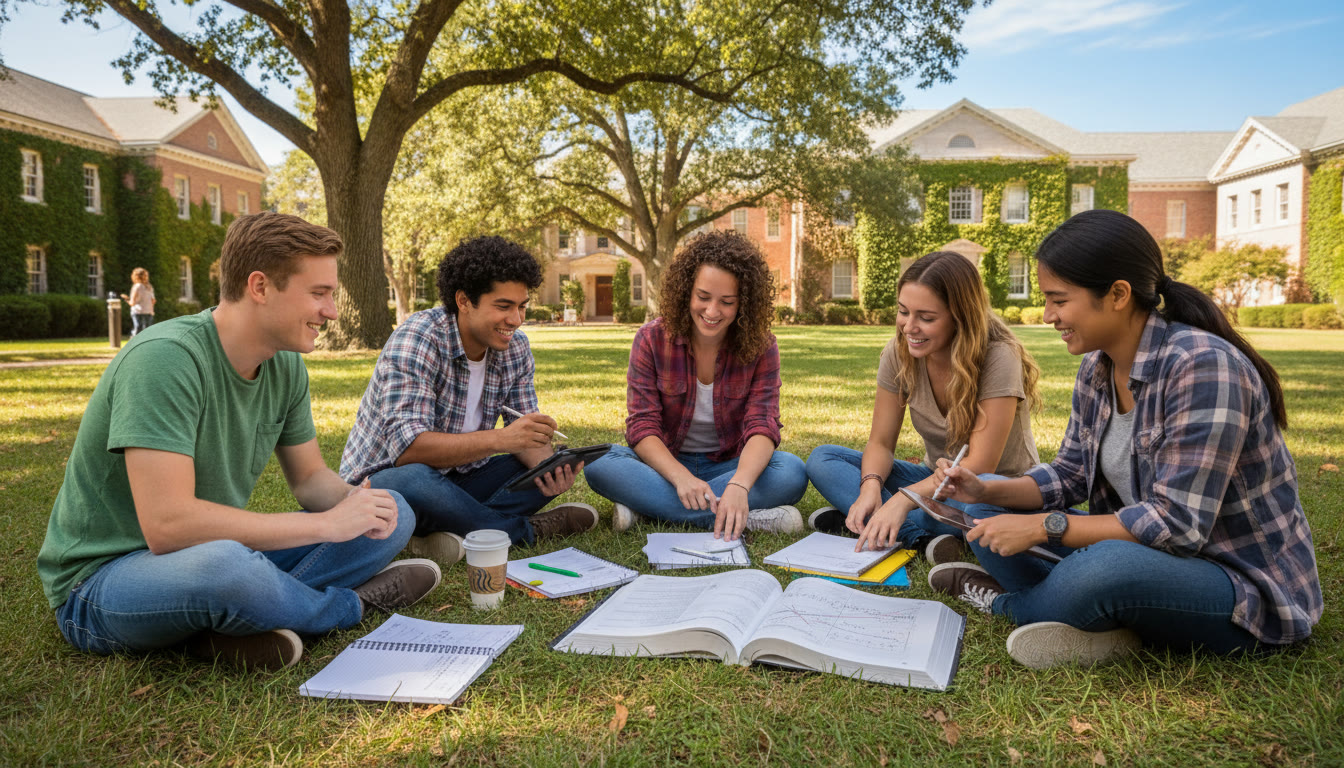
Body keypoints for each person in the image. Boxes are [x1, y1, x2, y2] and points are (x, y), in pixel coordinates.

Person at [37, 212, 440, 672]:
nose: (330, 311)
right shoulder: (165, 360)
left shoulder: (285, 366)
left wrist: (357, 505)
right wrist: (325, 527)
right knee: (225, 568)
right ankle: (348, 608)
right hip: (103, 580)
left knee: (394, 509)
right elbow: (167, 526)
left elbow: (310, 480)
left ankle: (230, 624)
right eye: (319, 293)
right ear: (260, 286)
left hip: (214, 550)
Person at [928, 209, 1323, 670]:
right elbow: (1071, 475)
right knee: (981, 511)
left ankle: (1011, 605)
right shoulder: (1096, 368)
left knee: (1107, 568)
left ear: (1117, 294)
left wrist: (1043, 527)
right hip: (1142, 551)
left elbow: (1177, 525)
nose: (1048, 315)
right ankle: (1092, 612)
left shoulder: (1203, 366)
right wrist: (985, 488)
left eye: (1059, 300)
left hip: (1238, 584)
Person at [340, 236, 598, 563]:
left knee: (545, 462)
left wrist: (547, 471)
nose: (516, 320)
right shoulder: (420, 336)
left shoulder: (515, 348)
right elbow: (408, 451)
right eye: (503, 306)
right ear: (464, 300)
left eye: (522, 306)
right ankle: (524, 532)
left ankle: (436, 535)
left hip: (459, 481)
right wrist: (501, 439)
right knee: (416, 478)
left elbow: (525, 436)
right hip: (385, 484)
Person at [805, 251, 1042, 561]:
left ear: (960, 317)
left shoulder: (998, 356)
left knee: (971, 502)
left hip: (994, 492)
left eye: (926, 318)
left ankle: (875, 522)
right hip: (935, 481)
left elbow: (980, 465)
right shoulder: (899, 352)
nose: (909, 327)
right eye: (904, 312)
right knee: (825, 459)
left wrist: (902, 501)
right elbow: (880, 442)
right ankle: (909, 534)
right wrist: (870, 487)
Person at [584, 230, 808, 540]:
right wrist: (680, 478)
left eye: (726, 302)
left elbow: (762, 424)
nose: (712, 312)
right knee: (599, 463)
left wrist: (739, 484)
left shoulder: (761, 346)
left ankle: (650, 510)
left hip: (730, 464)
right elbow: (642, 426)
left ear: (743, 303)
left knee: (791, 472)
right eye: (703, 297)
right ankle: (743, 517)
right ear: (687, 290)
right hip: (666, 465)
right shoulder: (651, 339)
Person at [120, 267, 156, 335]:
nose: (146, 277)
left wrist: (126, 299)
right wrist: (151, 310)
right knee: (147, 331)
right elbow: (153, 300)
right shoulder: (149, 287)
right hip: (148, 312)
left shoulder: (137, 286)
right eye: (145, 275)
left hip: (138, 312)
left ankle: (134, 343)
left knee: (138, 330)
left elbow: (132, 303)